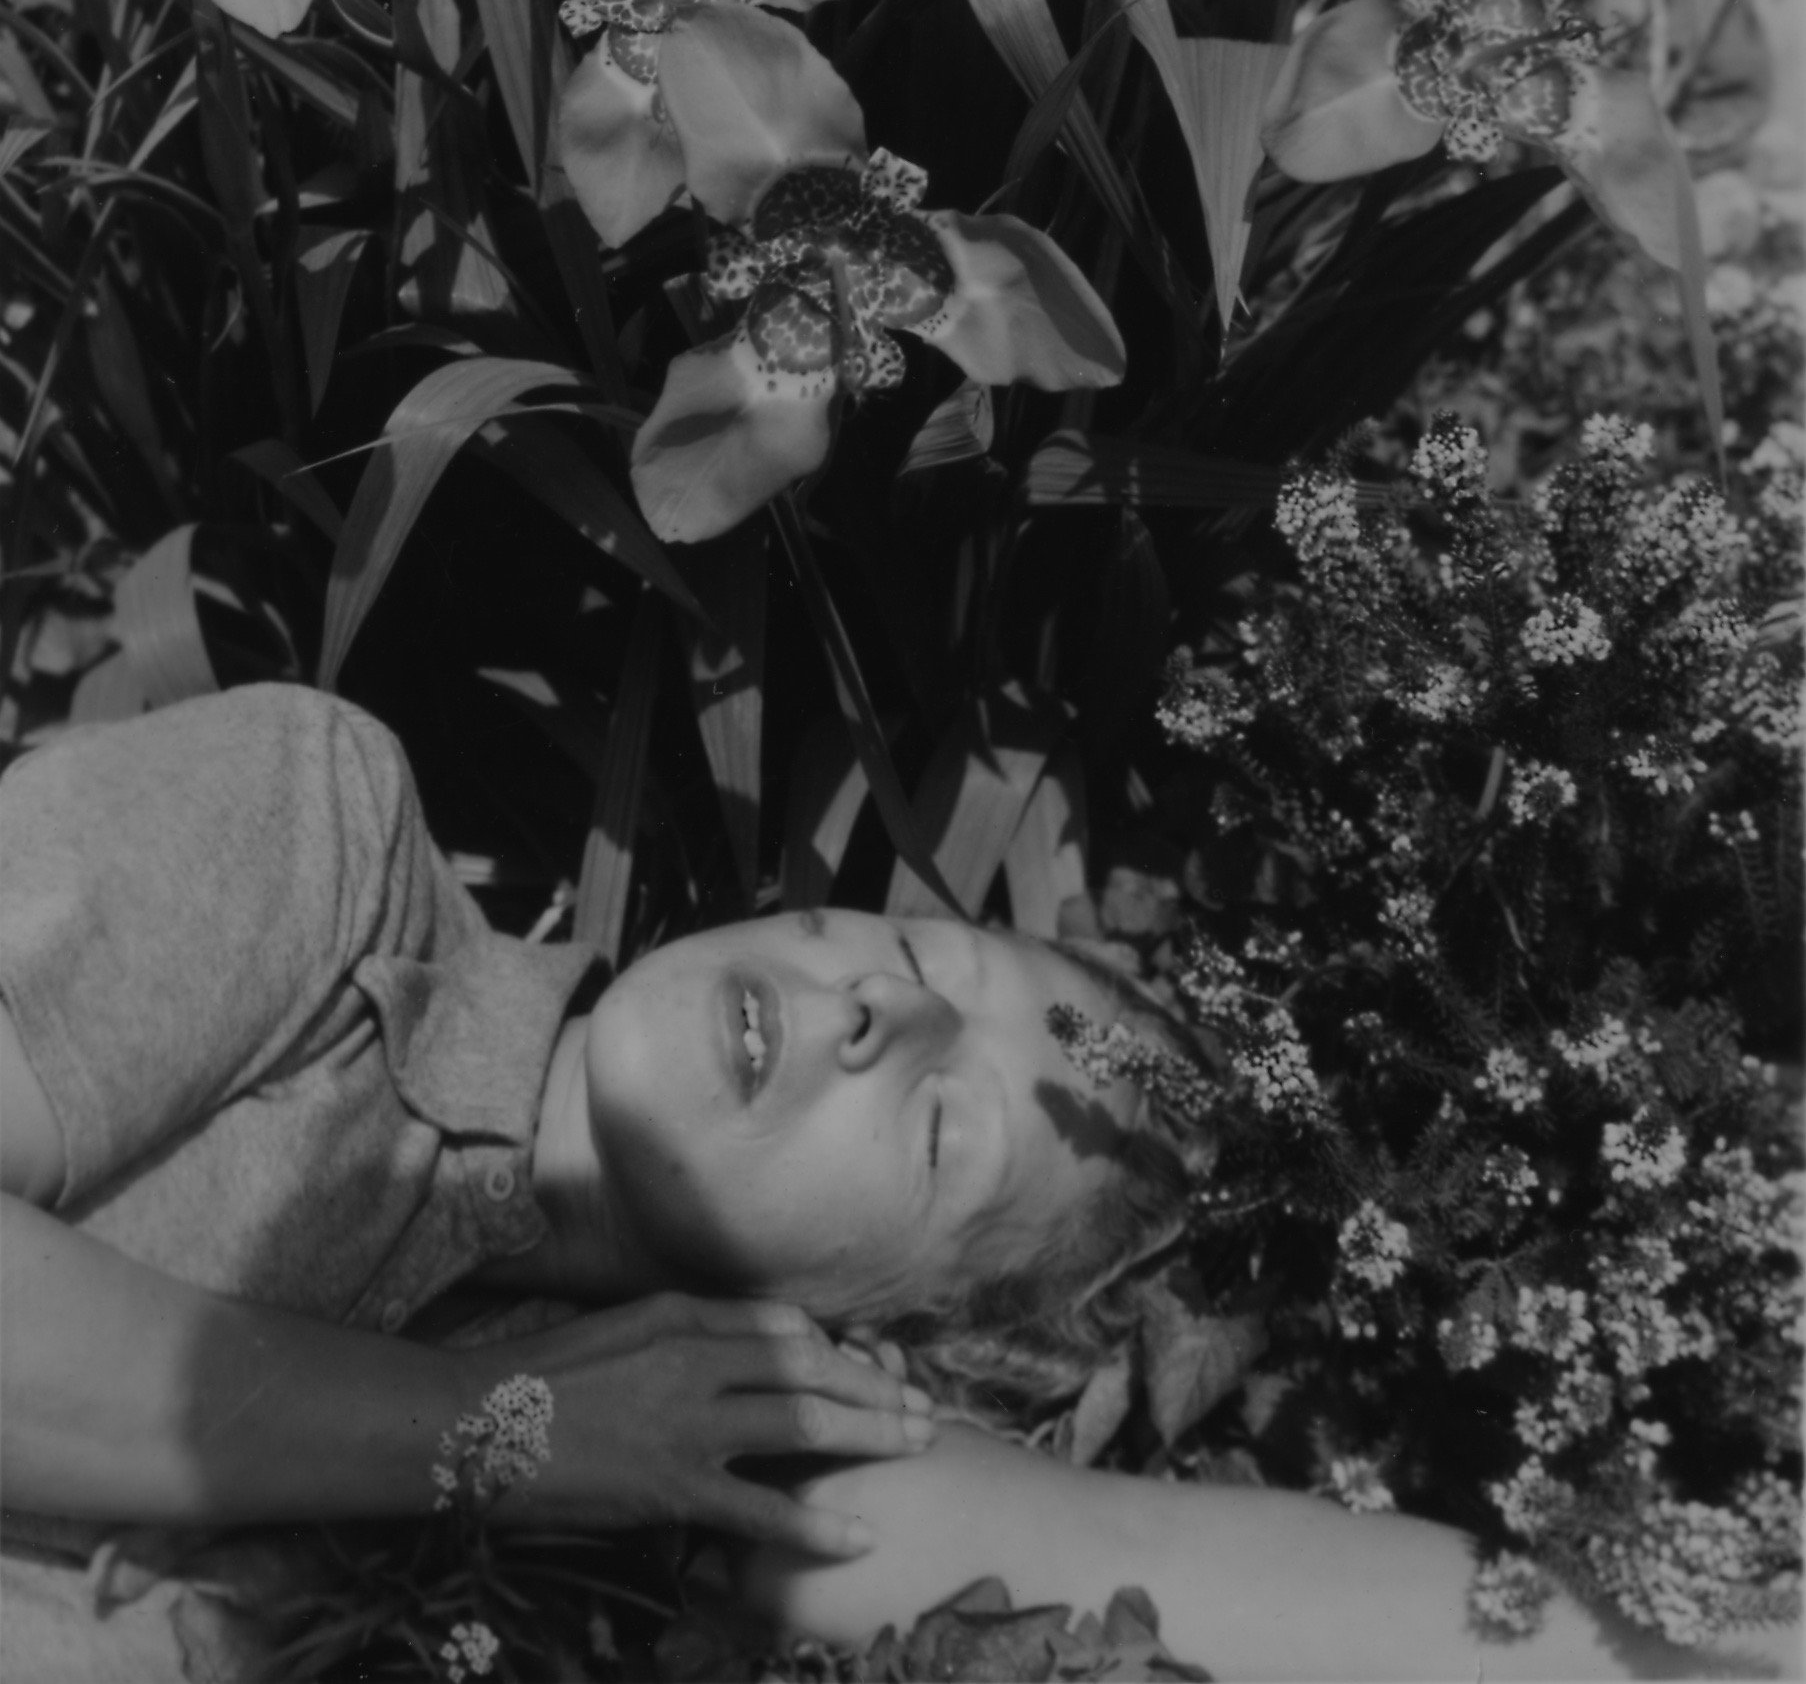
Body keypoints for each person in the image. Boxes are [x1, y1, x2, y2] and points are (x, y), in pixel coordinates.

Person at [0, 685, 1794, 1682]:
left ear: (871, 1333)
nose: (876, 1007)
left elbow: (1149, 1555)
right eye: (920, 960)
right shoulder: (324, 848)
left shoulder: (686, 1417)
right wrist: (497, 1429)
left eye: (942, 1132)